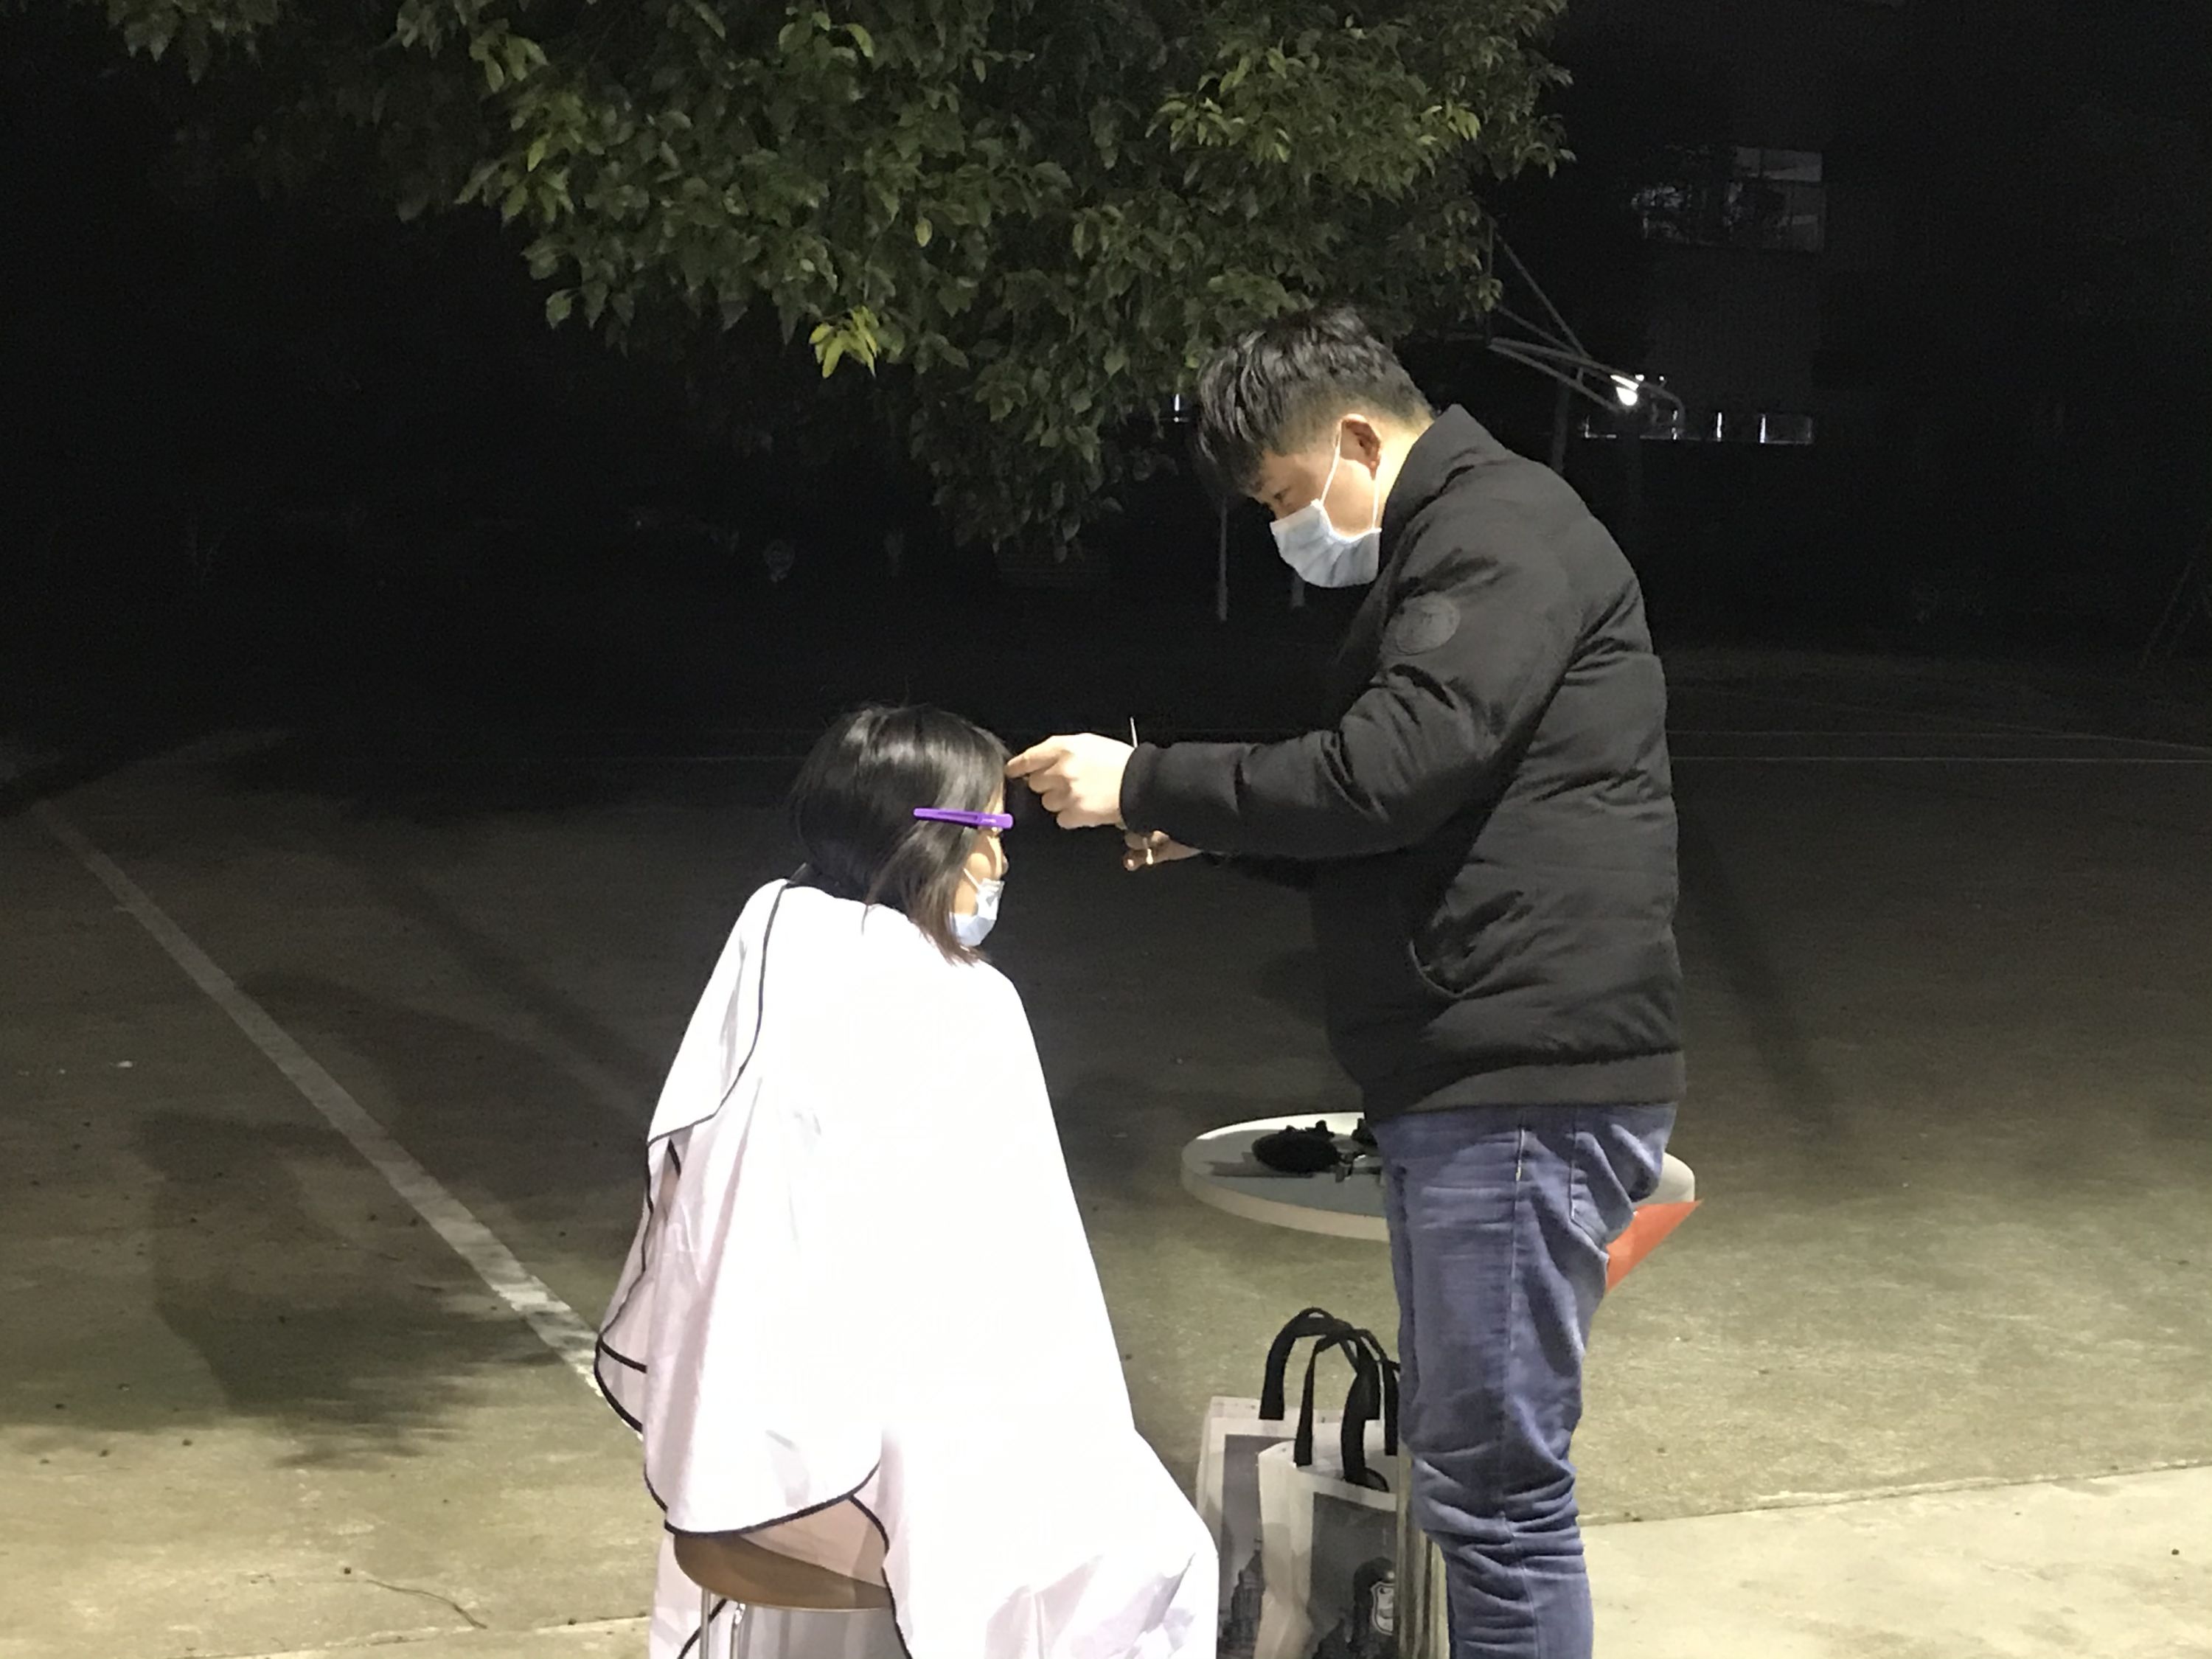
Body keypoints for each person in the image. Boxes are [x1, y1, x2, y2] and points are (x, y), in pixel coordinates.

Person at [1006, 308, 1682, 1659]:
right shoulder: (1465, 537)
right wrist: (1206, 823)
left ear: (1359, 439)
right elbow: (1398, 818)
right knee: (1475, 1475)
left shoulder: (1498, 534)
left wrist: (1145, 777)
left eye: (1281, 496)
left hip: (1521, 1076)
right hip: (1483, 1069)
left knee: (1496, 1497)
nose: (1286, 530)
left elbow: (1387, 774)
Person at [597, 704, 1217, 1659]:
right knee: (1160, 1559)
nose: (1001, 862)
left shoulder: (775, 942)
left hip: (738, 1450)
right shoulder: (958, 1002)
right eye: (992, 831)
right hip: (855, 1465)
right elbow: (1022, 1300)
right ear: (927, 838)